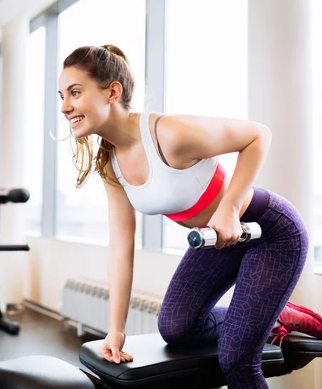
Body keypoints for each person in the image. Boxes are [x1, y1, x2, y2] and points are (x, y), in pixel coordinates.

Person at [58, 44, 322, 389]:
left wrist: (228, 208)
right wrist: (116, 330)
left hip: (270, 231)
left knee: (236, 359)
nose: (65, 107)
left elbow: (258, 134)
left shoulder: (167, 134)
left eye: (75, 93)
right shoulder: (111, 162)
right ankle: (274, 317)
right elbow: (121, 245)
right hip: (217, 241)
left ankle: (267, 319)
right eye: (62, 95)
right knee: (178, 328)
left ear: (112, 91)